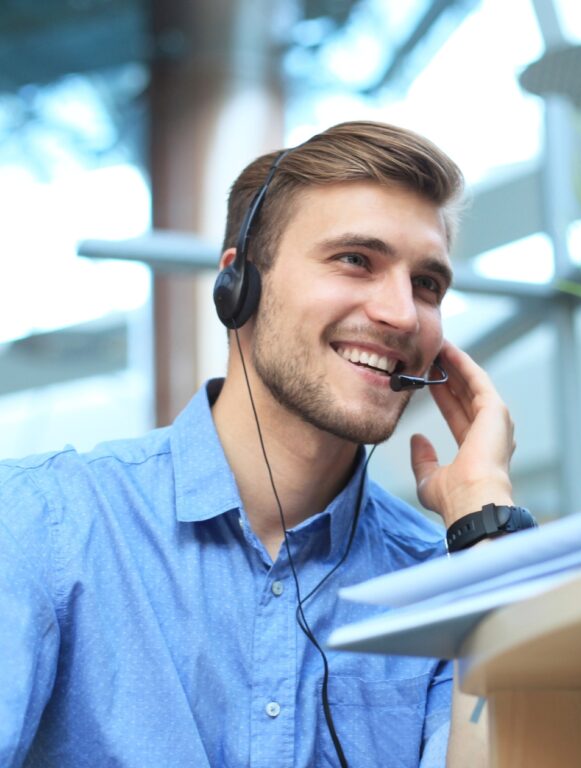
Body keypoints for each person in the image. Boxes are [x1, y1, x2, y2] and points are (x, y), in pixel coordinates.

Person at [0, 121, 522, 767]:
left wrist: (486, 518)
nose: (402, 314)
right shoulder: (39, 521)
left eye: (428, 285)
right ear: (238, 285)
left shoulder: (448, 582)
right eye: (356, 260)